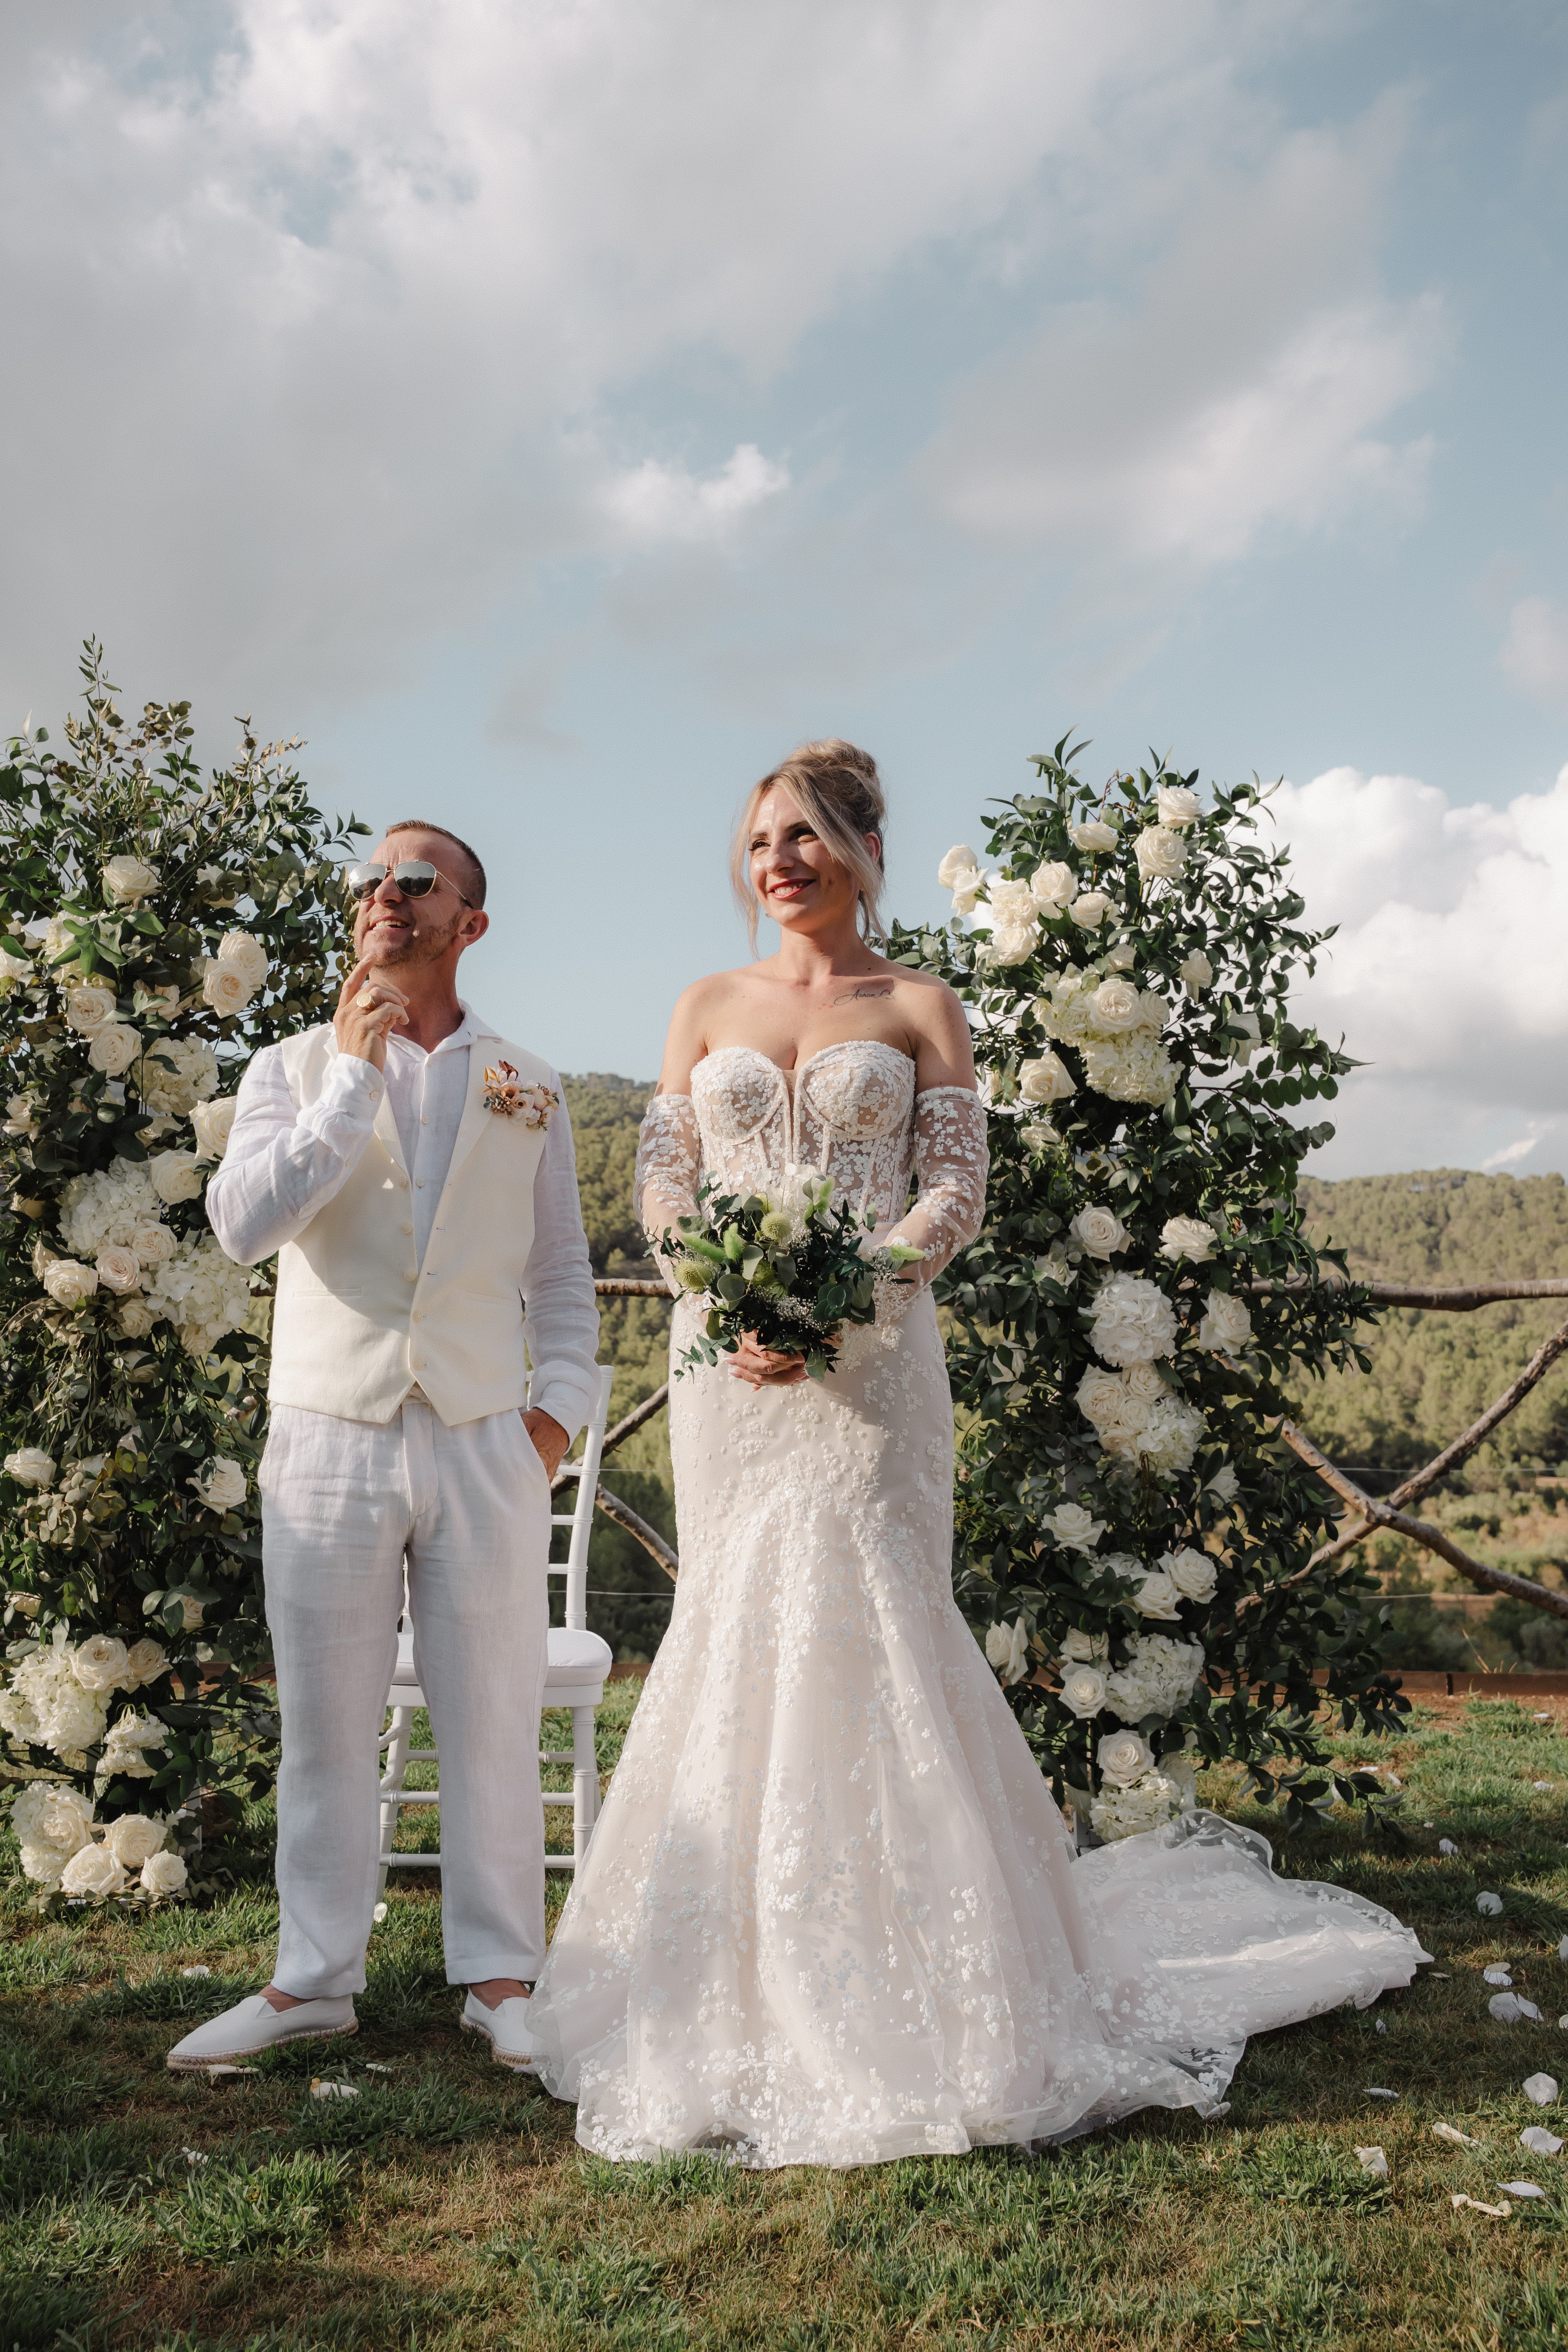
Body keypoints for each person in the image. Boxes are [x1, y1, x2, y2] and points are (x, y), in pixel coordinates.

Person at [524, 738, 1428, 2167]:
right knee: (736, 1627)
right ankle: (719, 1977)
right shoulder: (703, 1005)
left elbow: (955, 1190)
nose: (781, 861)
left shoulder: (920, 1004)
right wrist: (730, 1296)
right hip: (733, 1383)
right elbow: (660, 1184)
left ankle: (930, 1983)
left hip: (876, 1376)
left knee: (875, 1624)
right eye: (763, 840)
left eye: (807, 837)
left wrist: (842, 1300)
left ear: (862, 849)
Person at [166, 822, 599, 2074]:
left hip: (483, 1443)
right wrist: (350, 1084)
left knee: (493, 1721)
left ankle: (501, 1976)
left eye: (414, 882)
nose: (383, 899)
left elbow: (561, 1271)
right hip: (329, 1435)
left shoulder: (532, 1083)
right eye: (369, 883)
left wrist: (552, 1420)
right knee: (325, 1721)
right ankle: (312, 1980)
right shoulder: (291, 1068)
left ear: (470, 921)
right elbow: (245, 1227)